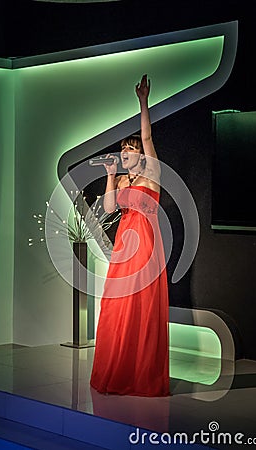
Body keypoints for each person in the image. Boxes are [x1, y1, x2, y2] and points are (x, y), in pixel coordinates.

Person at [90, 74, 169, 397]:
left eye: (131, 148)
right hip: (124, 245)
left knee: (143, 309)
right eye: (124, 148)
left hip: (146, 245)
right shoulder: (122, 181)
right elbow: (109, 209)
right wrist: (111, 176)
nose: (126, 151)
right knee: (117, 307)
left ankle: (141, 374)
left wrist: (143, 102)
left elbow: (148, 137)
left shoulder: (151, 175)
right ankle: (117, 370)